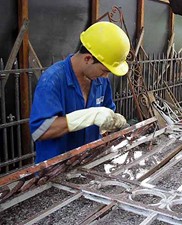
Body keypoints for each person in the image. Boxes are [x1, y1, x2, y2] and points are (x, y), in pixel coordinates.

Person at [30, 21, 129, 163]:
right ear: (88, 59)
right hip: (56, 168)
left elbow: (106, 113)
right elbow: (41, 131)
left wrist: (113, 121)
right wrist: (88, 116)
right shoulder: (52, 81)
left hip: (89, 162)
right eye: (104, 70)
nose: (106, 76)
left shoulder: (101, 80)